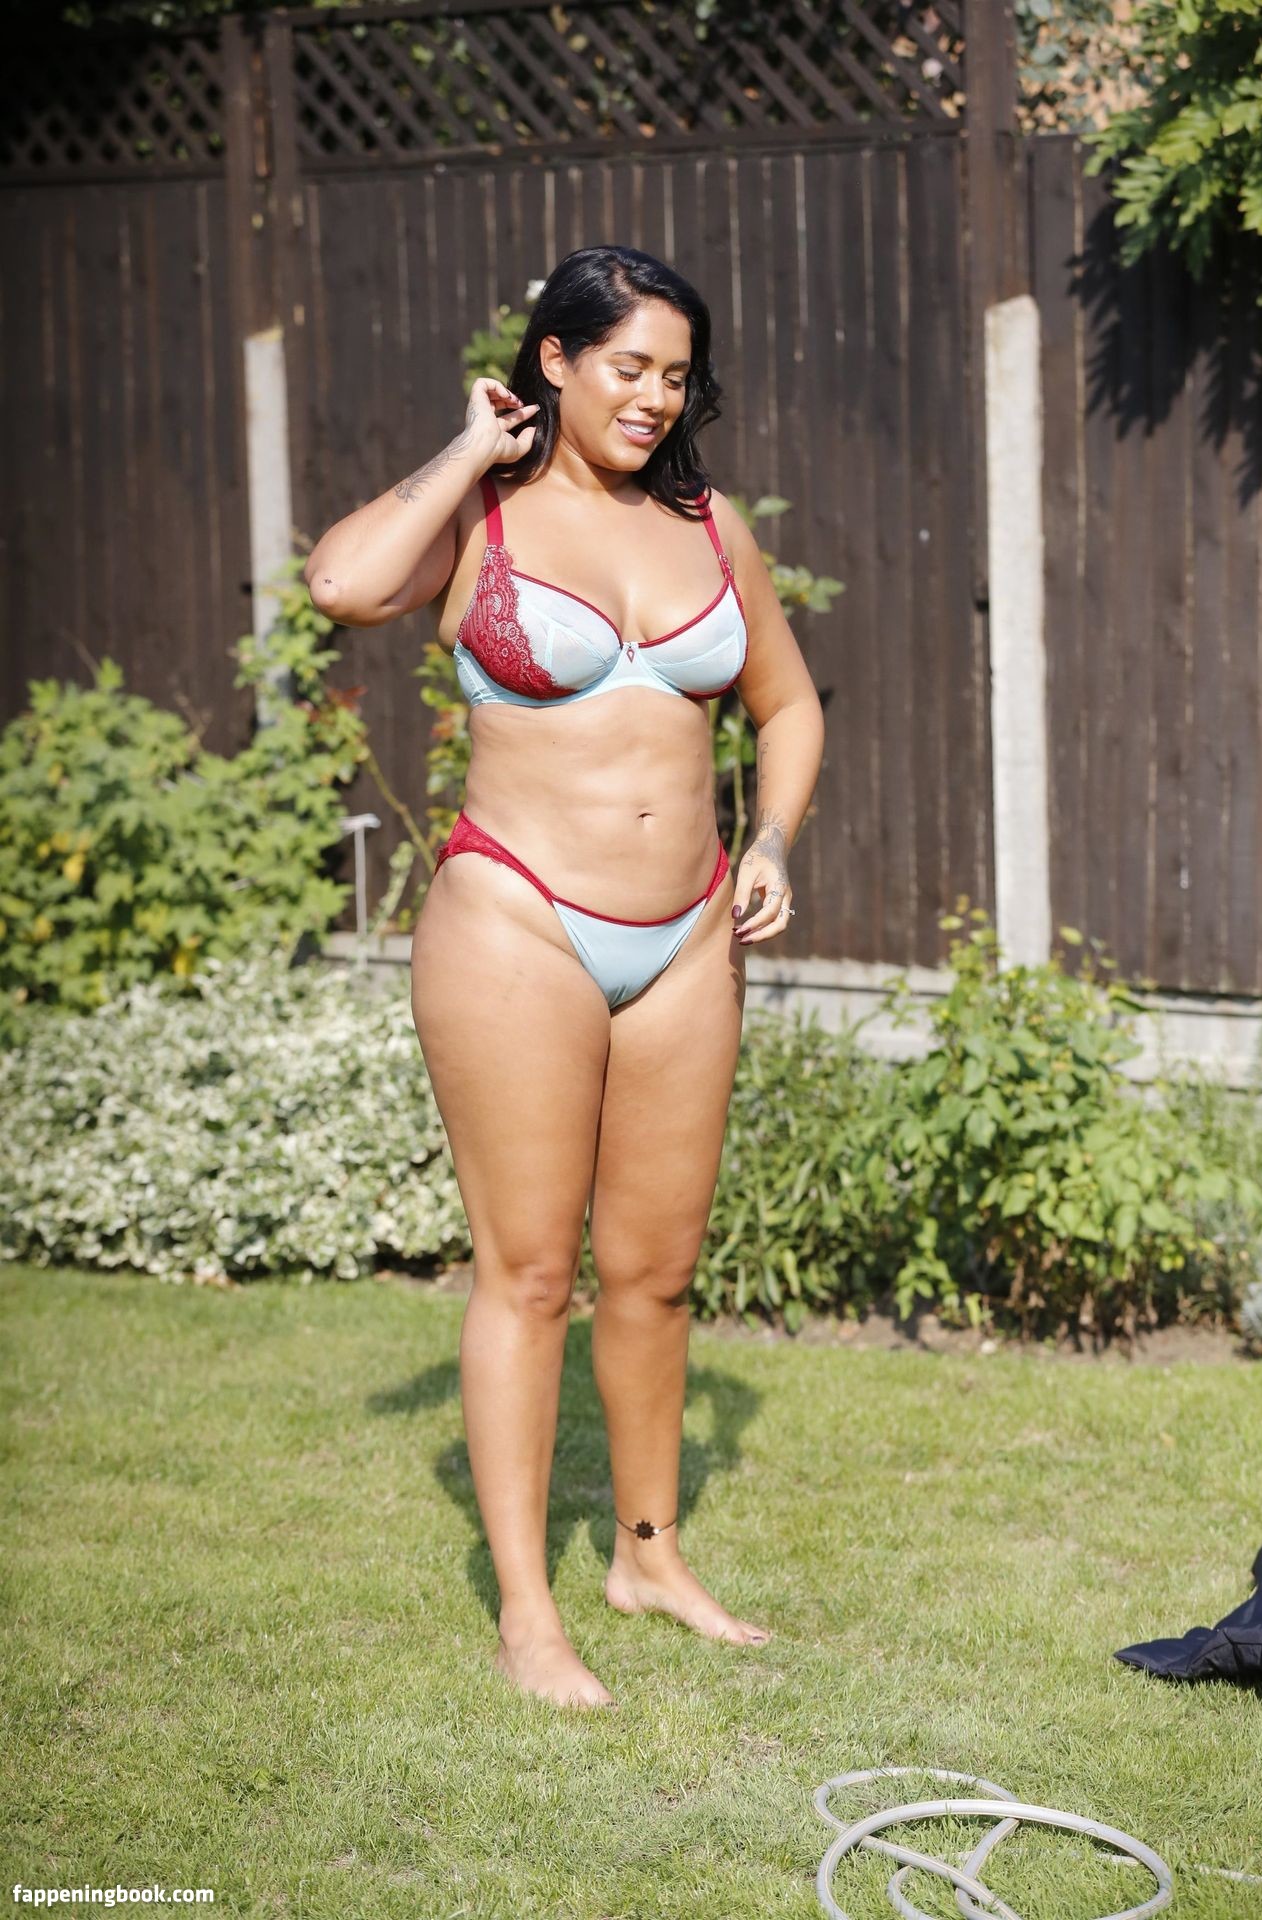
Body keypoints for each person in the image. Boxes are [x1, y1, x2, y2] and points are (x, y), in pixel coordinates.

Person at [304, 245, 824, 1710]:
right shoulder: (481, 515)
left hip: (688, 937)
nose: (654, 397)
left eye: (676, 375)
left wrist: (772, 839)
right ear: (555, 360)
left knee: (654, 1274)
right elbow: (342, 584)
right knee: (530, 1274)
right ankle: (528, 1615)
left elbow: (785, 704)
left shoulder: (709, 524)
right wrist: (469, 448)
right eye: (627, 367)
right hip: (516, 923)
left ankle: (647, 1558)